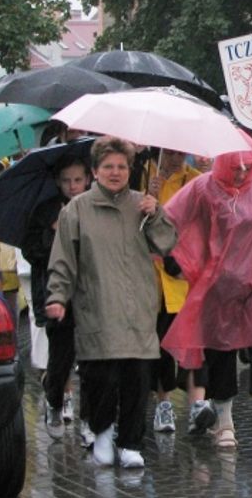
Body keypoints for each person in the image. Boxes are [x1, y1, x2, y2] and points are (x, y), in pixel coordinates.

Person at [45, 136, 177, 469]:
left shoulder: (141, 204)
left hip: (138, 308)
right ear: (94, 171)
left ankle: (131, 443)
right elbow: (63, 260)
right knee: (100, 378)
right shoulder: (77, 209)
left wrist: (156, 212)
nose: (115, 172)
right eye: (108, 167)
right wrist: (58, 297)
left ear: (130, 170)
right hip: (97, 307)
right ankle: (102, 434)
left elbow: (165, 244)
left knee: (137, 379)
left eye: (121, 166)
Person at [161, 137, 252, 451]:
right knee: (221, 355)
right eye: (235, 168)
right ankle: (224, 424)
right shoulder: (202, 188)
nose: (241, 174)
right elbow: (170, 219)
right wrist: (174, 261)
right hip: (218, 285)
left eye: (247, 168)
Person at [24, 156, 90, 442]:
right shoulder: (44, 212)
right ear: (57, 182)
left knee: (91, 362)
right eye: (66, 181)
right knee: (60, 359)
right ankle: (54, 401)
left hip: (90, 295)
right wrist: (53, 235)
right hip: (57, 296)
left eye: (77, 180)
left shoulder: (94, 207)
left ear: (88, 179)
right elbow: (32, 252)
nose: (73, 186)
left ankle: (91, 420)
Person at [141, 149, 206, 435]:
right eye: (170, 153)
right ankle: (163, 402)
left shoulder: (195, 181)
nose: (176, 158)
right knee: (160, 345)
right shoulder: (144, 175)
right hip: (153, 278)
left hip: (184, 273)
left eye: (182, 153)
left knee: (193, 345)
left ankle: (197, 405)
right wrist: (145, 199)